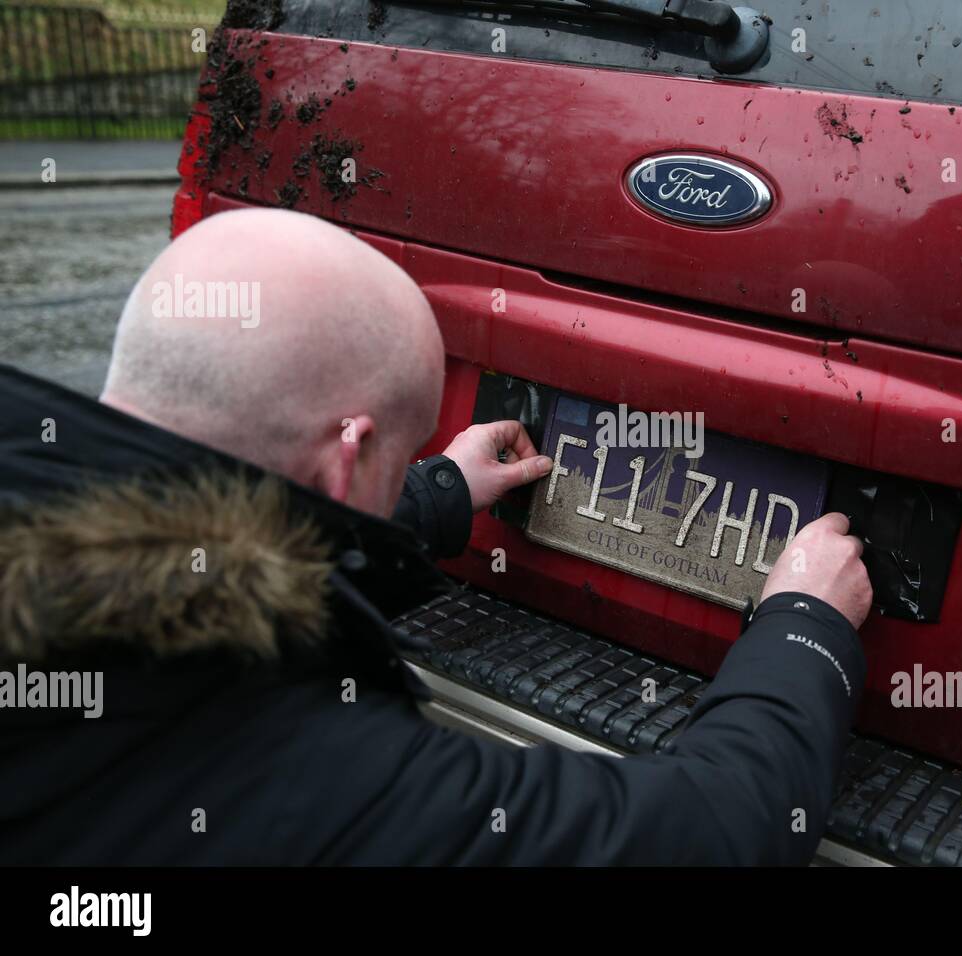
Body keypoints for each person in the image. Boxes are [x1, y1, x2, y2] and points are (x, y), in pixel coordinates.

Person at [0, 208, 872, 865]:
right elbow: (714, 833)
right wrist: (804, 626)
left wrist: (435, 491)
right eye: (402, 450)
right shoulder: (309, 780)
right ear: (343, 467)